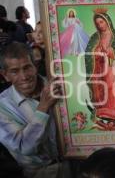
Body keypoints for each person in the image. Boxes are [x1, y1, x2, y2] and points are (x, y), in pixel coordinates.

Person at [0, 42, 69, 178]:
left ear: (35, 66)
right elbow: (25, 148)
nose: (24, 76)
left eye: (27, 67)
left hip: (71, 165)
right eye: (14, 71)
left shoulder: (58, 86)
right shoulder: (2, 107)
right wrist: (43, 107)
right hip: (39, 173)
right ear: (5, 75)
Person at [85, 8, 115, 131]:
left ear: (107, 21)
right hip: (99, 68)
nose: (100, 25)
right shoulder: (95, 37)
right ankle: (102, 111)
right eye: (98, 23)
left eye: (102, 22)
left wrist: (112, 52)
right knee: (101, 89)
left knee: (112, 89)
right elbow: (88, 53)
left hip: (113, 68)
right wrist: (97, 52)